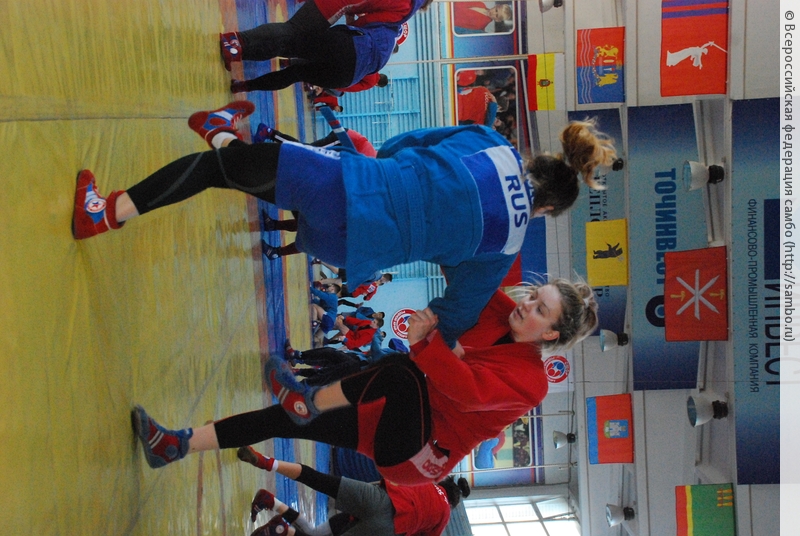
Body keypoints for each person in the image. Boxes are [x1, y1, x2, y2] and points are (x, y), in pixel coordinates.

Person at [72, 100, 615, 346]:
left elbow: (406, 144)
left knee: (223, 169)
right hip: (351, 250)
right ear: (547, 210)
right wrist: (442, 326)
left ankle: (107, 212)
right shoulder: (506, 247)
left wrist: (388, 175)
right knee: (252, 171)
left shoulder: (491, 144)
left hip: (356, 188)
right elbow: (458, 309)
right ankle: (221, 131)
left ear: (538, 160)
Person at [131, 276, 598, 485]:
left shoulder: (532, 382)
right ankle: (176, 445)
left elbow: (467, 390)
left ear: (550, 334)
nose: (526, 304)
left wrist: (427, 344)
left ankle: (307, 401)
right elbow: (469, 271)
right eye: (532, 295)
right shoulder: (500, 309)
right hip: (389, 418)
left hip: (419, 456)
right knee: (280, 419)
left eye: (540, 309)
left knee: (401, 371)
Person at [237, 447, 469, 536]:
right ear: (452, 502)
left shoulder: (428, 482)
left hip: (378, 497)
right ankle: (280, 527)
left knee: (320, 480)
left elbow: (393, 479)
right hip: (387, 527)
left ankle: (268, 462)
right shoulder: (444, 515)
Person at [223, 21, 401, 94]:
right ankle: (243, 86)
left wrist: (330, 34)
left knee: (289, 46)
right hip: (345, 76)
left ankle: (238, 52)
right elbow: (352, 87)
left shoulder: (387, 26)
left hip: (345, 46)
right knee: (295, 74)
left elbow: (355, 26)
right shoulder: (383, 61)